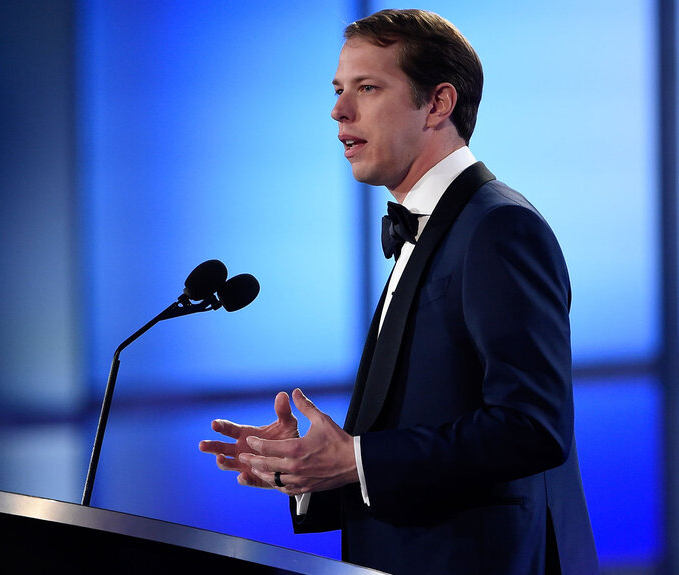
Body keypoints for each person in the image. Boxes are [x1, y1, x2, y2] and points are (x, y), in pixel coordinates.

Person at [199, 8, 599, 575]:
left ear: (437, 103)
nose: (338, 110)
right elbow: (420, 428)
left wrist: (358, 460)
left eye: (367, 87)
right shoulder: (436, 223)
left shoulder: (498, 227)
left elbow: (533, 426)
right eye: (339, 90)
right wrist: (309, 466)